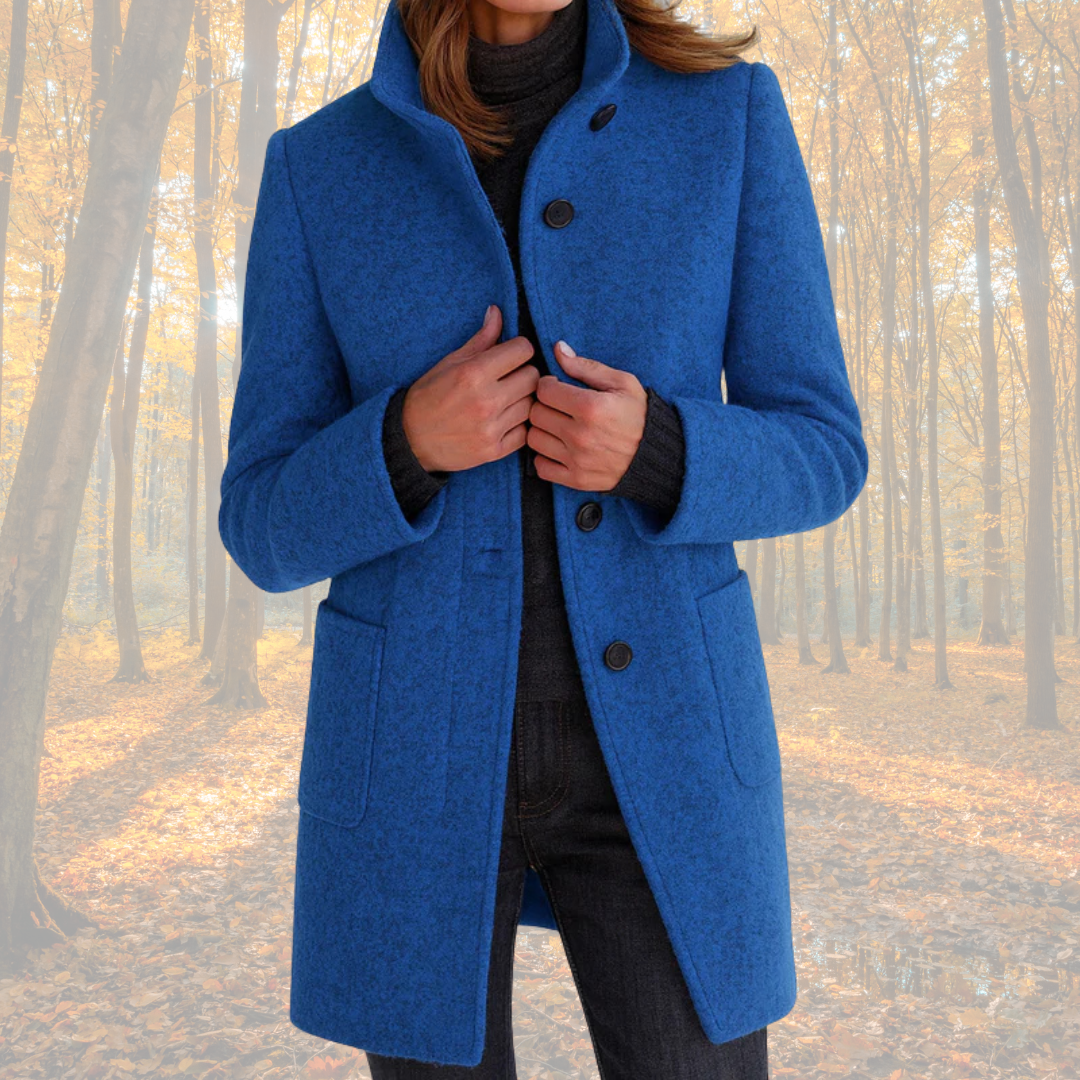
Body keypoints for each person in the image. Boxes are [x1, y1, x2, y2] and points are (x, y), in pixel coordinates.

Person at [219, 0, 869, 1074]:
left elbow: (824, 449)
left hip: (667, 755)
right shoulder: (319, 165)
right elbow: (260, 520)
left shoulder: (727, 118)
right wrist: (401, 443)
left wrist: (661, 449)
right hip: (409, 772)